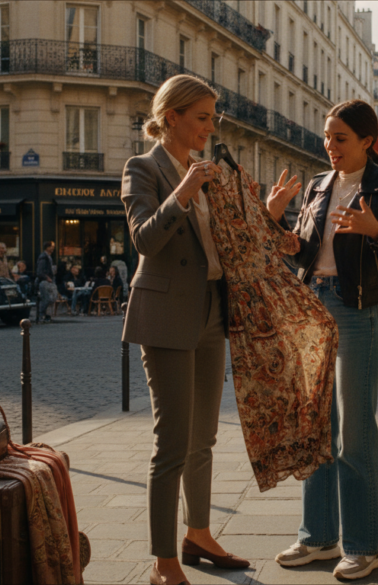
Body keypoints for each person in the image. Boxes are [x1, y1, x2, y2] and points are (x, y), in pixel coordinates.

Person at [268, 99, 378, 580]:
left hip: (358, 313)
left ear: (366, 142)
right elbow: (298, 253)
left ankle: (364, 545)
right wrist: (274, 221)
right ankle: (317, 537)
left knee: (354, 431)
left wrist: (375, 230)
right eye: (326, 138)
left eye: (339, 138)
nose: (329, 147)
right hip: (312, 306)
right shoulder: (317, 186)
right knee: (317, 428)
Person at [120, 74, 247, 585]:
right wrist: (185, 190)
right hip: (166, 316)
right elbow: (145, 241)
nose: (209, 126)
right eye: (201, 117)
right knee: (171, 441)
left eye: (212, 117)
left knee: (204, 438)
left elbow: (220, 244)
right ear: (171, 117)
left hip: (211, 313)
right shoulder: (142, 168)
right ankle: (163, 561)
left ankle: (198, 534)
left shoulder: (207, 170)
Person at [36, 241, 58, 323]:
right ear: (47, 247)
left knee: (50, 298)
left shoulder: (48, 257)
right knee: (46, 298)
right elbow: (40, 271)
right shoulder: (43, 257)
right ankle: (42, 314)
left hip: (49, 280)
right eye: (52, 246)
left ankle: (45, 315)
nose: (53, 248)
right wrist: (46, 277)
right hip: (45, 281)